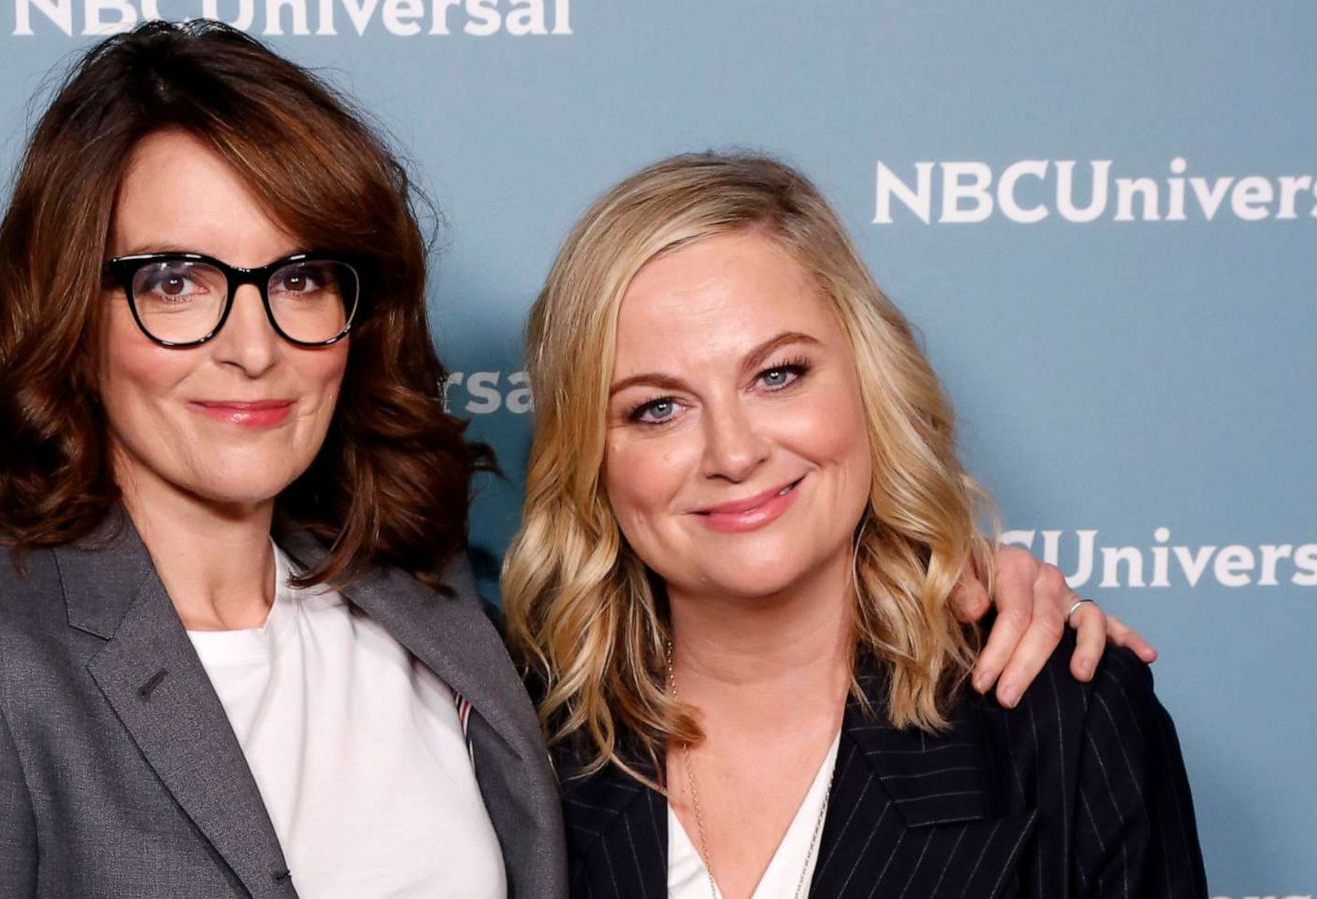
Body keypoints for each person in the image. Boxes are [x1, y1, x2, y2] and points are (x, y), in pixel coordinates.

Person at [0, 20, 1152, 899]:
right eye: (175, 278)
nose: (250, 342)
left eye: (300, 277)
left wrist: (962, 576)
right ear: (74, 308)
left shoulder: (442, 628)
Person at [506, 153, 1206, 898]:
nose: (736, 452)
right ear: (589, 456)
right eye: (658, 408)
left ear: (871, 379)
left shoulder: (1062, 720)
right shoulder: (511, 745)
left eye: (778, 374)